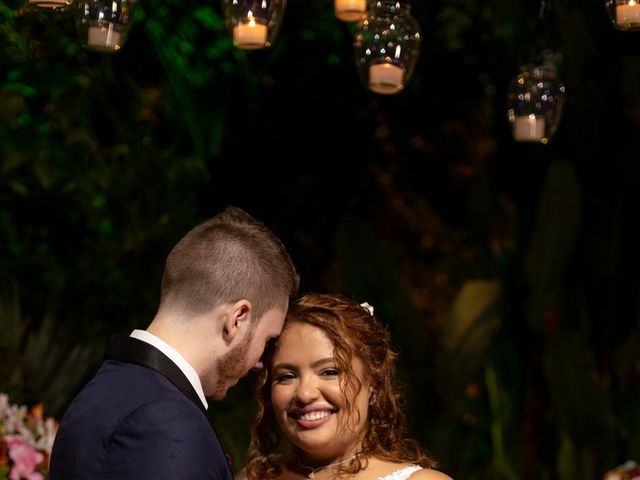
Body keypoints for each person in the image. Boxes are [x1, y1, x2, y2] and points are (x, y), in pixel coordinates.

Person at [49, 206, 299, 480]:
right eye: (268, 339)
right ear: (237, 318)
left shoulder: (103, 392)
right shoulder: (165, 424)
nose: (261, 363)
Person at [241, 292, 454, 480]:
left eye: (330, 372)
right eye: (286, 376)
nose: (305, 393)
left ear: (373, 380)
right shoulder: (254, 476)